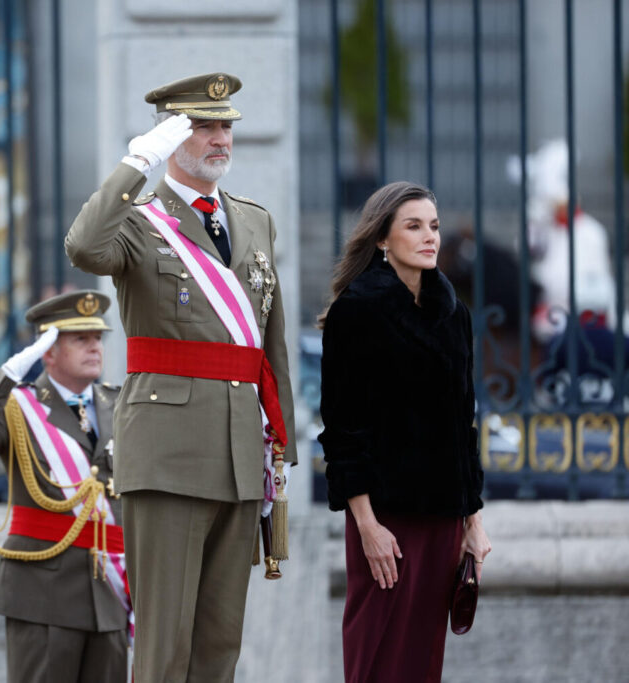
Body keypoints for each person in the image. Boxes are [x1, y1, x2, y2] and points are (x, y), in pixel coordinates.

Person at [65, 72, 297, 681]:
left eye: (225, 126)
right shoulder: (139, 222)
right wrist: (139, 161)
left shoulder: (255, 221)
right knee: (164, 647)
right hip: (168, 454)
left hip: (240, 451)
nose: (220, 138)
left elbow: (266, 339)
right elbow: (85, 248)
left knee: (219, 645)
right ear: (171, 136)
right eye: (202, 126)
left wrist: (281, 437)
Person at [317, 182, 492, 683]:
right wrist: (367, 527)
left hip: (443, 521)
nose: (429, 236)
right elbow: (343, 430)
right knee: (375, 657)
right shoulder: (357, 310)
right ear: (381, 240)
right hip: (385, 522)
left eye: (433, 226)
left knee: (421, 663)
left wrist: (472, 518)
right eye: (413, 226)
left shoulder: (454, 315)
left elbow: (464, 424)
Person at [0, 290, 129, 683]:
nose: (94, 347)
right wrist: (14, 370)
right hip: (44, 596)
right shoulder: (18, 407)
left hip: (110, 595)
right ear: (48, 351)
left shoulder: (121, 405)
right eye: (79, 339)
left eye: (97, 338)